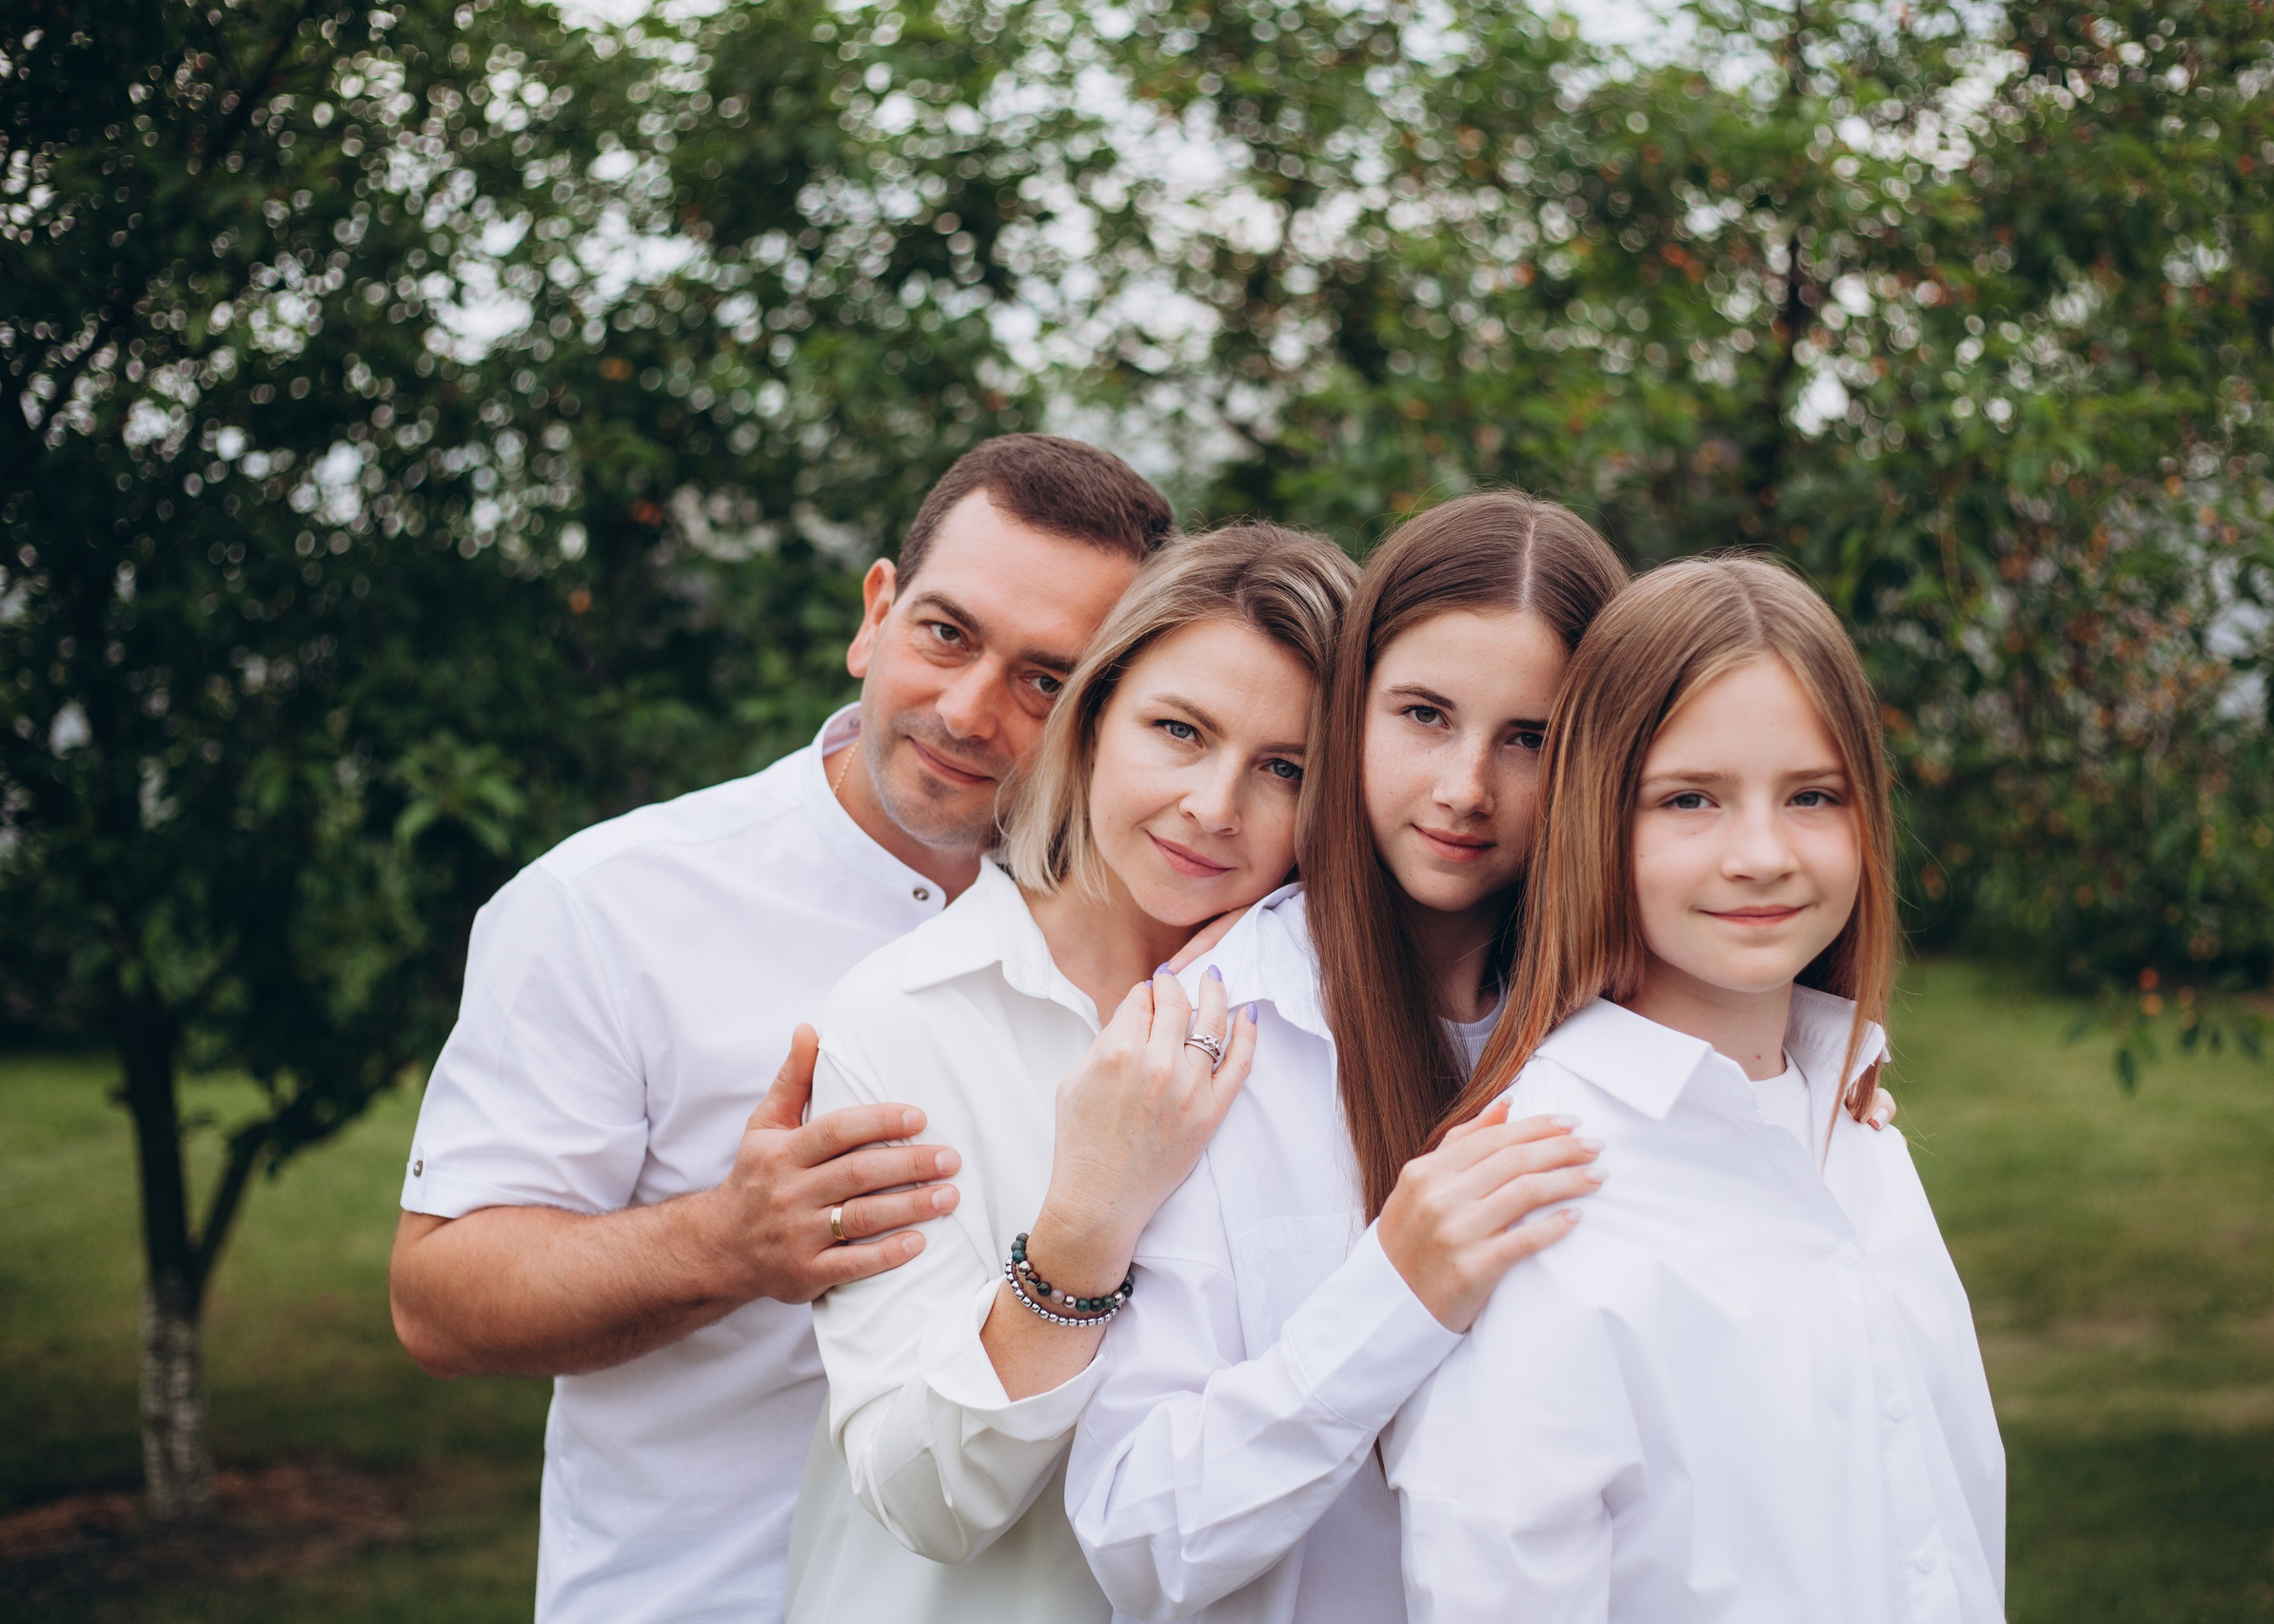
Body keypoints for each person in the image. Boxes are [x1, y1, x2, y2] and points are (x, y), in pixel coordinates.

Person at [386, 434, 1175, 1624]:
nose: (967, 711)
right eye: (945, 635)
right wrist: (730, 1241)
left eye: (1046, 679)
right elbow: (436, 1299)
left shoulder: (1167, 934)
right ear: (876, 613)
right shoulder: (606, 903)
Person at [1384, 556, 2005, 1623]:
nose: (1761, 854)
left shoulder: (1854, 1130)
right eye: (1689, 799)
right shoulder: (1540, 1196)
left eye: (1812, 795)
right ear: (1596, 821)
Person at [1062, 491, 1627, 1624]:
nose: (1467, 786)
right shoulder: (1218, 1028)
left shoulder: (1635, 1033)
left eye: (1530, 737)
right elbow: (1135, 1532)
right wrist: (1395, 1293)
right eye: (1424, 714)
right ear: (1349, 712)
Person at [783, 524, 1358, 1624]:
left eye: (1284, 768)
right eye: (1178, 730)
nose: (1213, 805)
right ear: (1093, 724)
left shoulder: (1334, 1034)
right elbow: (925, 1499)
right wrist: (1086, 1221)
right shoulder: (906, 1016)